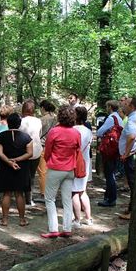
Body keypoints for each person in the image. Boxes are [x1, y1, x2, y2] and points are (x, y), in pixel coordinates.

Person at [41, 105, 82, 238]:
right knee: (67, 200)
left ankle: (53, 229)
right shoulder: (76, 133)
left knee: (50, 199)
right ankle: (67, 228)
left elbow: (47, 151)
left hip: (55, 168)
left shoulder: (54, 131)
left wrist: (48, 161)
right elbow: (77, 150)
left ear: (60, 116)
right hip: (70, 169)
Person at [0, 113, 33, 227]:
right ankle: (22, 220)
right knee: (19, 194)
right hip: (21, 168)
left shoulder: (1, 136)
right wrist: (16, 160)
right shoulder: (26, 137)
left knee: (6, 193)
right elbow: (30, 154)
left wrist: (9, 162)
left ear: (7, 123)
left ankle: (5, 220)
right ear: (19, 123)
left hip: (5, 167)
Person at [97, 100, 124, 207]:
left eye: (107, 106)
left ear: (110, 107)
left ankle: (111, 199)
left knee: (109, 174)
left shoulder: (111, 118)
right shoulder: (119, 118)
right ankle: (109, 197)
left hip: (109, 149)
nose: (106, 108)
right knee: (111, 173)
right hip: (116, 149)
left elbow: (100, 132)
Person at [72, 106, 93, 226]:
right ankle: (88, 218)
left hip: (74, 163)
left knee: (74, 192)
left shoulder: (73, 130)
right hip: (85, 163)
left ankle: (77, 220)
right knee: (83, 191)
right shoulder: (88, 131)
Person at [19, 100, 43, 206]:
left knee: (21, 175)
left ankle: (20, 197)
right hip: (36, 150)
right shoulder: (38, 121)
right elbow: (40, 134)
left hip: (23, 151)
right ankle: (29, 199)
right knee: (31, 176)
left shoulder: (20, 121)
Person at [118, 97, 136, 220]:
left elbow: (131, 137)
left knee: (133, 183)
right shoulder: (133, 117)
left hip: (130, 157)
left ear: (131, 106)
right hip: (131, 155)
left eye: (125, 104)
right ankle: (131, 208)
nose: (123, 106)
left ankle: (133, 211)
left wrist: (126, 153)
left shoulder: (131, 120)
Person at [36, 100, 57, 202]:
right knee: (51, 171)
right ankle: (52, 191)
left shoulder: (41, 120)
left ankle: (43, 193)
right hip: (54, 147)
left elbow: (38, 134)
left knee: (42, 171)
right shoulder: (56, 118)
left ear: (43, 108)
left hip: (43, 146)